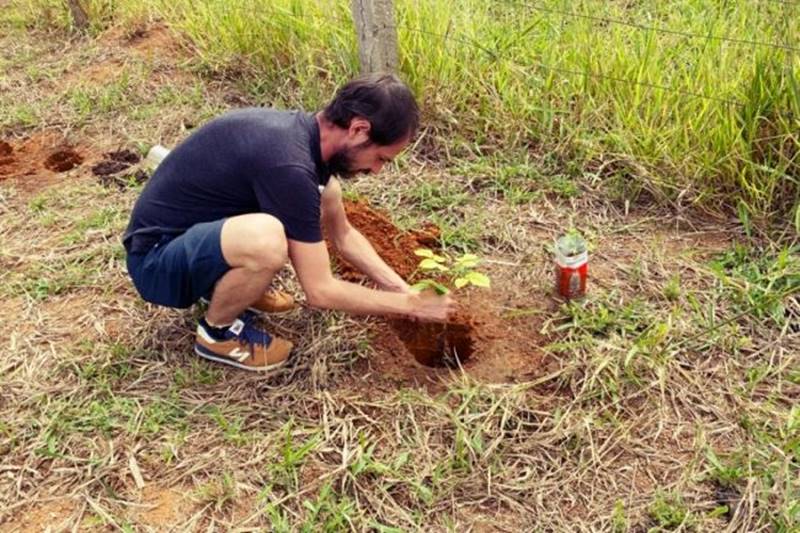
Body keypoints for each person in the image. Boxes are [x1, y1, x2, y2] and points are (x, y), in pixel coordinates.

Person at [123, 73, 455, 371]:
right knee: (266, 241)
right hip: (156, 262)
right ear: (358, 129)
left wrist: (400, 288)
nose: (377, 170)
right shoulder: (289, 167)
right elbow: (320, 291)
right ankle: (217, 333)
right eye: (381, 158)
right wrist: (407, 305)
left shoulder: (302, 139)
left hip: (192, 239)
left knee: (326, 194)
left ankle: (230, 288)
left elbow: (344, 236)